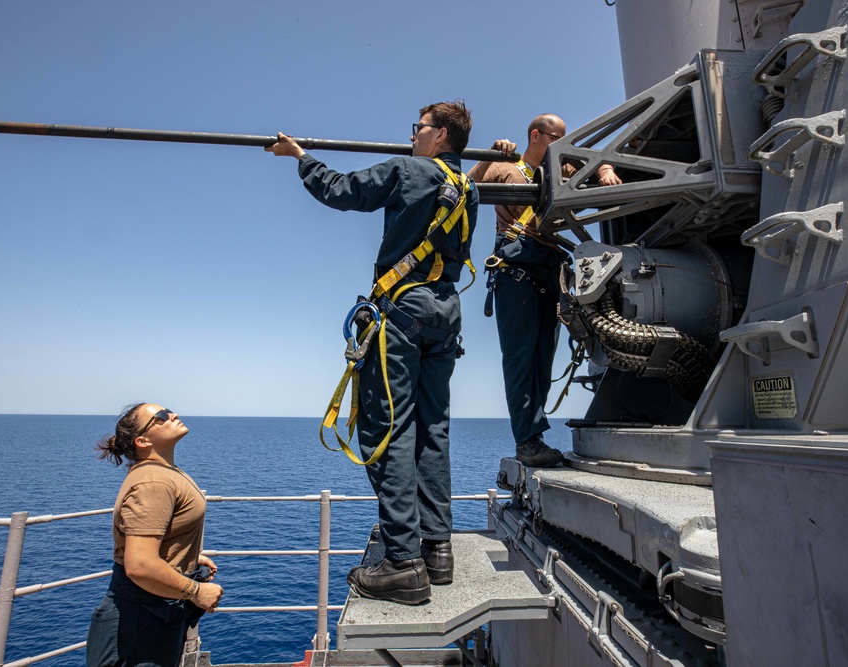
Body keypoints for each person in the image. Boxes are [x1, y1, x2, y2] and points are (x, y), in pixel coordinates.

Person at [268, 100, 480, 604]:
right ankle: (436, 551)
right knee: (433, 429)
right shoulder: (468, 188)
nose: (412, 135)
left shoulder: (408, 170)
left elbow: (342, 191)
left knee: (388, 430)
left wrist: (300, 156)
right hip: (445, 317)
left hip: (402, 313)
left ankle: (403, 563)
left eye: (419, 128)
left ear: (440, 134)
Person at [469, 114, 622, 467]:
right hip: (516, 275)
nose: (562, 145)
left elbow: (595, 160)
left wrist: (602, 171)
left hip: (549, 274)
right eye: (557, 138)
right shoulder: (507, 168)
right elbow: (465, 186)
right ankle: (527, 441)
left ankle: (534, 437)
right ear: (536, 135)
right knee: (520, 363)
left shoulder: (560, 170)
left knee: (541, 362)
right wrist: (491, 156)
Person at [86, 403, 223, 667]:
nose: (172, 415)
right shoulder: (154, 482)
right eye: (161, 416)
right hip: (142, 616)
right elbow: (140, 565)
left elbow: (159, 536)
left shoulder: (165, 472)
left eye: (169, 410)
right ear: (142, 440)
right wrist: (195, 591)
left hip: (155, 609)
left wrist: (188, 555)